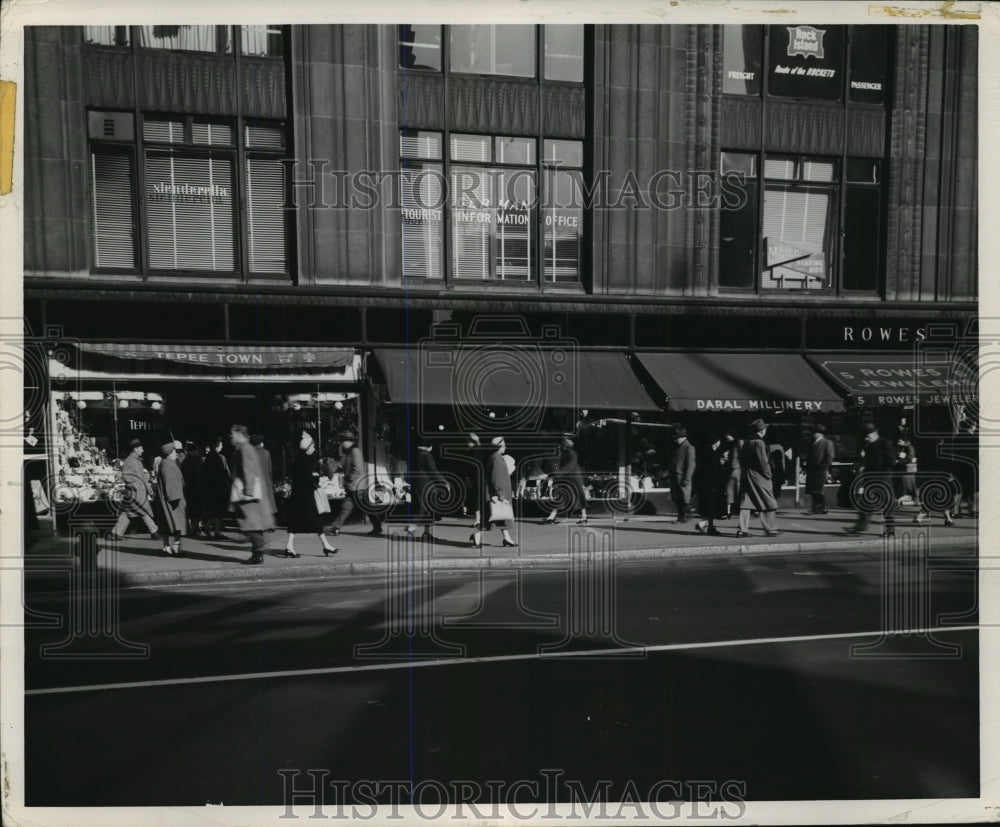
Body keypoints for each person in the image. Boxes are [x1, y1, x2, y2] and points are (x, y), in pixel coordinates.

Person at [284, 430, 338, 557]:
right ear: (308, 447)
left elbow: (300, 476)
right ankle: (325, 546)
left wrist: (312, 475)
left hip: (299, 495)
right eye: (312, 446)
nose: (314, 449)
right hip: (304, 496)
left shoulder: (301, 459)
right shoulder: (304, 460)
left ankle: (289, 546)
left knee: (296, 522)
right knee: (315, 520)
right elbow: (305, 479)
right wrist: (316, 478)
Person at [229, 424, 276, 564]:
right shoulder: (246, 448)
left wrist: (248, 492)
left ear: (240, 435)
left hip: (248, 496)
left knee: (251, 525)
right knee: (254, 525)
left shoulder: (244, 448)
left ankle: (258, 552)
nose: (231, 437)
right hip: (251, 494)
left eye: (233, 434)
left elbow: (248, 469)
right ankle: (257, 554)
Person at [844, 422, 896, 537]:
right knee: (865, 504)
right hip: (870, 481)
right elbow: (868, 464)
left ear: (874, 433)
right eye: (865, 436)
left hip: (883, 481)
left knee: (887, 507)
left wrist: (882, 477)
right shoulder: (870, 446)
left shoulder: (885, 444)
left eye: (868, 435)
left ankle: (890, 530)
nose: (866, 438)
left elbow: (891, 462)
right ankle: (860, 527)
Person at [329, 431, 383, 537]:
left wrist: (349, 479)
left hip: (357, 486)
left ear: (348, 442)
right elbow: (340, 465)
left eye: (342, 442)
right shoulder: (348, 453)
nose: (341, 444)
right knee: (353, 507)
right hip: (355, 486)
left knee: (354, 507)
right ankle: (337, 526)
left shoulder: (355, 451)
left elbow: (357, 469)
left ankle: (336, 526)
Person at [736, 419, 781, 538]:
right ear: (762, 430)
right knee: (769, 501)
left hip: (747, 475)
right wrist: (768, 475)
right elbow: (763, 462)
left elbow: (741, 459)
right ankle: (770, 529)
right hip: (759, 477)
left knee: (746, 503)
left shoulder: (747, 442)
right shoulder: (759, 443)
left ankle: (742, 529)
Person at [109, 438, 161, 541]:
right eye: (141, 448)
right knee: (143, 511)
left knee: (128, 512)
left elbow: (140, 476)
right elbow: (126, 475)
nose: (142, 450)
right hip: (135, 493)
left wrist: (147, 486)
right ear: (135, 449)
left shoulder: (135, 460)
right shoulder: (131, 461)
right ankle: (154, 532)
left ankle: (116, 533)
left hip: (136, 492)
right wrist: (137, 486)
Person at [472, 437, 518, 548]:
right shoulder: (497, 459)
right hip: (498, 493)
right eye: (503, 445)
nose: (505, 447)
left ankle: (507, 539)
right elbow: (496, 478)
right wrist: (500, 494)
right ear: (499, 447)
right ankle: (477, 536)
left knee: (500, 517)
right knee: (492, 517)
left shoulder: (494, 457)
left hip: (496, 492)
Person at [542, 435, 588, 526]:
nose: (571, 442)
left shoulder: (572, 453)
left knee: (578, 497)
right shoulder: (565, 452)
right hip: (567, 477)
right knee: (561, 496)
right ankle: (552, 516)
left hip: (574, 478)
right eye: (568, 440)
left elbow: (569, 466)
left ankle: (584, 517)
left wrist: (555, 474)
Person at [408, 443, 447, 541]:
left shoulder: (414, 455)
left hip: (417, 484)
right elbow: (432, 470)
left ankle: (425, 532)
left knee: (421, 508)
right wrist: (443, 481)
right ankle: (413, 529)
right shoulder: (427, 456)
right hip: (426, 484)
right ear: (429, 446)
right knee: (427, 508)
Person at [156, 441, 186, 557]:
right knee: (177, 524)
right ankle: (176, 548)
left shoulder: (165, 463)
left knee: (167, 525)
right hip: (174, 500)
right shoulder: (169, 464)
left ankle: (167, 547)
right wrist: (175, 498)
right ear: (170, 453)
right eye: (174, 451)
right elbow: (170, 483)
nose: (176, 453)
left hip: (169, 499)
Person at [200, 437, 231, 540]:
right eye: (221, 444)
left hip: (210, 487)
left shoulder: (209, 457)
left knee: (213, 509)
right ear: (217, 445)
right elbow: (222, 473)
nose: (222, 446)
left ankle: (208, 526)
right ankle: (216, 531)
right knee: (217, 510)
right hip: (217, 487)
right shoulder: (217, 457)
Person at [694, 434, 723, 535]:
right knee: (711, 507)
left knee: (707, 507)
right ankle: (705, 525)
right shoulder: (712, 454)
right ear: (715, 442)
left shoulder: (703, 452)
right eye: (719, 441)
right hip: (711, 485)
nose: (720, 443)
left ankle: (708, 526)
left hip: (703, 485)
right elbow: (713, 471)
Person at [805, 424, 835, 515]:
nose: (813, 434)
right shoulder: (812, 442)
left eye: (815, 432)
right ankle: (816, 507)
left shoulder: (827, 443)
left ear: (820, 433)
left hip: (820, 469)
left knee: (818, 489)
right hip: (812, 470)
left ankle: (823, 507)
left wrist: (823, 467)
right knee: (813, 490)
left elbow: (830, 456)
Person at [669, 427, 696, 524]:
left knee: (684, 498)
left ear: (683, 437)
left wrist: (687, 478)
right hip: (676, 475)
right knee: (678, 497)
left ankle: (683, 516)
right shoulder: (679, 446)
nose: (676, 440)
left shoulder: (689, 447)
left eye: (677, 438)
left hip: (682, 476)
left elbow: (691, 464)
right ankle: (681, 516)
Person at [251, 433, 278, 525]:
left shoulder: (251, 453)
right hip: (266, 481)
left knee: (257, 503)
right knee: (268, 503)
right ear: (261, 443)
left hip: (255, 482)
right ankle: (271, 524)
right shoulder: (266, 453)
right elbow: (270, 469)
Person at [180, 441, 204, 536]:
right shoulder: (199, 460)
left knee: (190, 508)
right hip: (198, 487)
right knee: (197, 508)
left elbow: (183, 475)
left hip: (189, 488)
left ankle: (192, 527)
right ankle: (196, 526)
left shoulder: (186, 461)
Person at [721, 432, 742, 519]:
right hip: (733, 469)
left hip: (737, 469)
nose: (726, 438)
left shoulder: (738, 443)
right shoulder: (732, 444)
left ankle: (730, 511)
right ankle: (729, 511)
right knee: (730, 490)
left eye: (727, 436)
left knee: (733, 490)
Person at [893, 435, 918, 505]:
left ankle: (915, 499)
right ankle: (910, 498)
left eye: (899, 441)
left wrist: (899, 461)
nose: (898, 442)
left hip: (908, 470)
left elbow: (909, 458)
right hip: (904, 469)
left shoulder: (909, 447)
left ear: (904, 441)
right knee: (907, 485)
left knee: (910, 485)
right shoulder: (903, 448)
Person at [768, 440, 787, 508]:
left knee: (770, 489)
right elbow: (783, 462)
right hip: (778, 471)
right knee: (776, 490)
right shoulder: (780, 447)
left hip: (770, 471)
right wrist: (783, 473)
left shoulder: (767, 446)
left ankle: (771, 504)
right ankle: (774, 504)